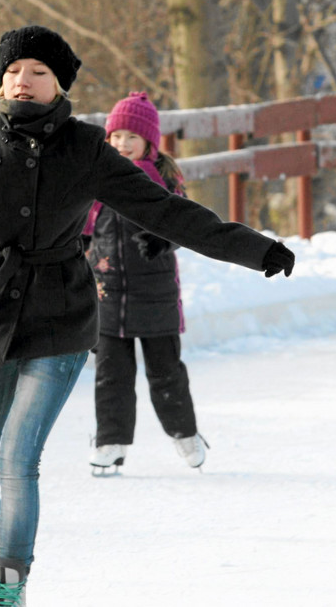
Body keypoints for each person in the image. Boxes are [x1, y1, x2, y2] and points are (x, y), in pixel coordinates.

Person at [0, 25, 295, 607]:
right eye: (12, 72)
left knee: (16, 458)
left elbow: (165, 211)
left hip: (59, 314)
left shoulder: (84, 149)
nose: (21, 82)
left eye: (36, 73)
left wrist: (255, 248)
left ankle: (9, 581)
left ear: (58, 85)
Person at [82, 91, 206, 475]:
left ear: (148, 142)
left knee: (166, 372)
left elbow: (186, 222)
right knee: (111, 377)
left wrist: (162, 237)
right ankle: (110, 443)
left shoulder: (163, 179)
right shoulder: (95, 180)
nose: (122, 144)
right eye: (115, 137)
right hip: (107, 294)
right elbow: (80, 227)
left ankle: (186, 434)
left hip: (156, 295)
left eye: (130, 138)